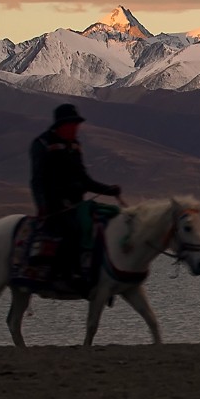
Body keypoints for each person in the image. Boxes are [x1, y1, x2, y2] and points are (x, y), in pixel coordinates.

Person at [29, 103, 121, 285]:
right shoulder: (42, 144)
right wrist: (43, 207)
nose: (75, 128)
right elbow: (37, 181)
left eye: (76, 125)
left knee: (107, 220)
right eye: (72, 125)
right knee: (73, 230)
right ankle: (61, 274)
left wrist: (108, 190)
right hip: (54, 205)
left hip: (76, 203)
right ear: (62, 126)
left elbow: (84, 179)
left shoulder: (75, 146)